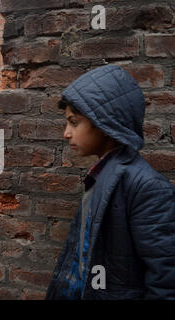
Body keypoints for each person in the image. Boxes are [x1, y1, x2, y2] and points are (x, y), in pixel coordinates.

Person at [45, 65, 175, 300]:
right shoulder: (102, 174)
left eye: (74, 122)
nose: (66, 133)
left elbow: (166, 281)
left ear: (104, 123)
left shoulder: (148, 188)